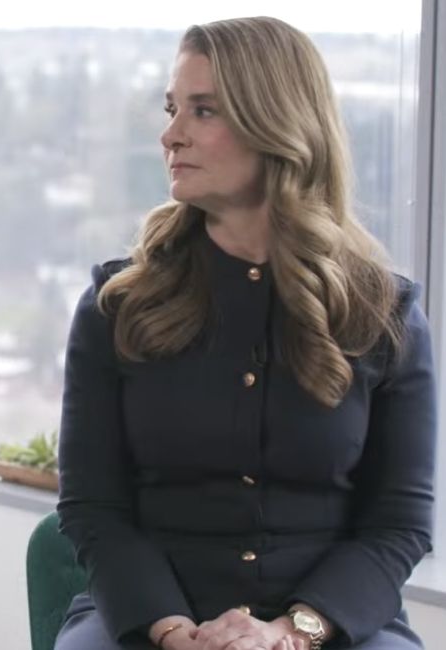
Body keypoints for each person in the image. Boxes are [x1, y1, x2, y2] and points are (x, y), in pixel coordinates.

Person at [54, 16, 435, 650]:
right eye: (173, 108)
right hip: (147, 622)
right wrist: (176, 634)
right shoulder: (115, 306)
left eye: (203, 112)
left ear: (277, 126)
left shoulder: (383, 314)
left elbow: (399, 524)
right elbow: (93, 508)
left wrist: (292, 633)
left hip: (330, 628)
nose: (169, 135)